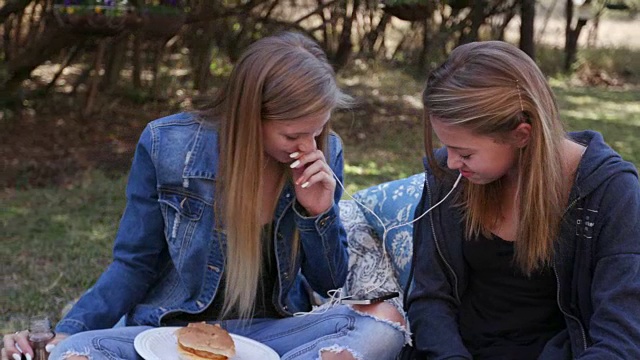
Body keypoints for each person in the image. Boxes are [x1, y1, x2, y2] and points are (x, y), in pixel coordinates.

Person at [2, 31, 407, 360]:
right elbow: (133, 264)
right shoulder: (168, 145)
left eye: (316, 131)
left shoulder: (324, 152)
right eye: (291, 135)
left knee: (384, 325)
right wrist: (69, 331)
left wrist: (317, 214)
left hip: (271, 336)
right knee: (75, 352)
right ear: (250, 116)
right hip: (171, 338)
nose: (307, 145)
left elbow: (330, 283)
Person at [406, 40, 640, 359]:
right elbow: (429, 297)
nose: (450, 163)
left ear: (521, 135)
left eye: (465, 153)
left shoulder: (610, 192)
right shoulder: (451, 178)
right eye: (448, 148)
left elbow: (621, 335)